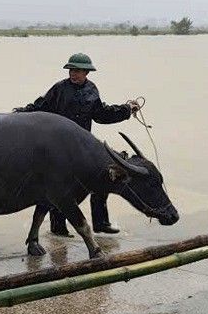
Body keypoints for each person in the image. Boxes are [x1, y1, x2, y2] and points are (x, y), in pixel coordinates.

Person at [13, 53, 139, 235]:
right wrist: (22, 113)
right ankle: (58, 228)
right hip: (60, 147)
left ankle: (101, 223)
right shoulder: (59, 89)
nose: (74, 73)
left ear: (87, 72)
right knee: (62, 186)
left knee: (103, 177)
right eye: (72, 70)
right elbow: (41, 107)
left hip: (83, 145)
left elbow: (101, 114)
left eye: (78, 71)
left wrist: (126, 110)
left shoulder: (92, 90)